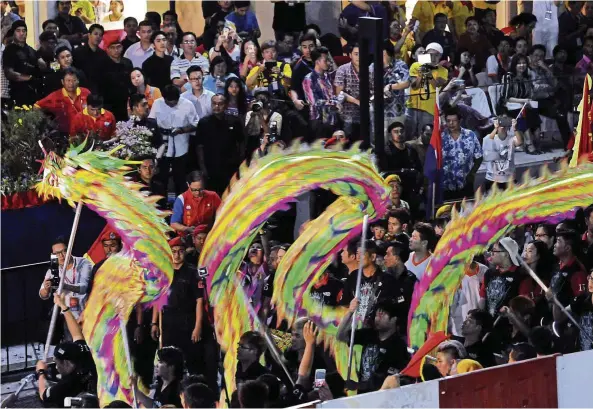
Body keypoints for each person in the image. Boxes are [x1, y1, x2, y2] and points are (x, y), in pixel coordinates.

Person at [36, 293, 97, 408]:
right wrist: (63, 306)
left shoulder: (66, 384)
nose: (57, 367)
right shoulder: (84, 354)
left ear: (67, 362)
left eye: (58, 363)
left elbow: (43, 394)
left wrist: (41, 372)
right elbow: (77, 333)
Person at [336, 299, 410, 393]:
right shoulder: (370, 334)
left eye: (382, 315)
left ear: (394, 319)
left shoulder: (398, 346)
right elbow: (341, 336)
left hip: (382, 397)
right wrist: (350, 312)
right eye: (376, 315)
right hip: (363, 395)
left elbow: (382, 380)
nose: (377, 318)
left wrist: (357, 385)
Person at [149, 85, 199, 196]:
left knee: (180, 179)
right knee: (161, 178)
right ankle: (161, 204)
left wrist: (182, 129)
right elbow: (151, 121)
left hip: (181, 145)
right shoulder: (157, 103)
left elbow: (196, 123)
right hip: (162, 146)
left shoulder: (187, 104)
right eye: (168, 102)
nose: (172, 104)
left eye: (174, 102)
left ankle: (181, 204)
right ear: (164, 98)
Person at [195, 94, 246, 195]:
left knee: (230, 195)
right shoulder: (204, 123)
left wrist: (240, 163)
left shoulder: (234, 121)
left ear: (226, 105)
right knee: (212, 195)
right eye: (214, 104)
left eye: (220, 104)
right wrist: (202, 167)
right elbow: (199, 146)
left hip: (230, 166)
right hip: (211, 166)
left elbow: (241, 142)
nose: (216, 106)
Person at [340, 240, 399, 327]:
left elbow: (393, 310)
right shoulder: (353, 277)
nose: (358, 257)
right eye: (357, 253)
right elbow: (344, 304)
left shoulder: (387, 280)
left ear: (373, 257)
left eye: (362, 253)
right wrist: (350, 309)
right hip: (354, 331)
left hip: (375, 332)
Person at [39, 236, 93, 332]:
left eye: (64, 251)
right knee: (73, 344)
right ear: (53, 255)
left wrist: (64, 286)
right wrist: (46, 289)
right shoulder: (53, 270)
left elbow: (84, 287)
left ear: (69, 249)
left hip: (87, 313)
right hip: (67, 317)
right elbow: (42, 295)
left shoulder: (83, 263)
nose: (61, 256)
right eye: (57, 253)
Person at [404, 42, 448, 141]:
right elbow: (414, 86)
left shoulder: (443, 71)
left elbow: (436, 85)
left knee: (424, 137)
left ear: (440, 56)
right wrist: (421, 74)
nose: (433, 57)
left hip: (429, 109)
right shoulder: (415, 65)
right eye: (430, 54)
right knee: (408, 136)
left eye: (436, 55)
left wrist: (428, 73)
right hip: (412, 106)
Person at [441, 109, 483, 201]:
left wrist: (472, 173)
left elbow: (479, 157)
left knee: (467, 211)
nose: (451, 123)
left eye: (454, 121)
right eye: (448, 121)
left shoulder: (470, 135)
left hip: (466, 183)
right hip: (446, 185)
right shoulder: (441, 137)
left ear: (460, 121)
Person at [35, 67, 90, 134]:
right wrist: (48, 123)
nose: (71, 84)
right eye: (68, 81)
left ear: (78, 81)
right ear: (62, 82)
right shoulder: (55, 96)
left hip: (86, 133)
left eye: (74, 80)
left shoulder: (86, 92)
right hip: (66, 136)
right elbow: (36, 107)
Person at [547, 269, 593, 351]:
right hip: (583, 353)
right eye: (590, 278)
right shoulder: (582, 300)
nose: (590, 282)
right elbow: (559, 317)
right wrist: (555, 300)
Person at [334, 43, 372, 140]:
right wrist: (357, 101)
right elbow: (339, 93)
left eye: (361, 54)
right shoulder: (342, 69)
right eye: (356, 54)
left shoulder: (370, 70)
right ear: (350, 55)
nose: (359, 57)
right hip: (347, 115)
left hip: (366, 114)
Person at [479, 237, 523, 317]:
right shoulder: (489, 273)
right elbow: (482, 297)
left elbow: (522, 305)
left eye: (494, 250)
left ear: (505, 254)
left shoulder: (520, 275)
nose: (491, 253)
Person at [3, 20, 42, 105]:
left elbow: (42, 65)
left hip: (34, 93)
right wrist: (29, 78)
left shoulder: (30, 50)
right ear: (13, 33)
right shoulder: (9, 50)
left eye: (24, 30)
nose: (21, 33)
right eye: (18, 30)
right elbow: (9, 73)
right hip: (18, 92)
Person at [382, 240, 418, 333]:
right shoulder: (382, 277)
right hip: (382, 328)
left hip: (402, 329)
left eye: (388, 254)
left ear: (397, 258)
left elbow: (405, 303)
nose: (385, 257)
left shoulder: (410, 280)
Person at [170, 171, 222, 235]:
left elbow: (223, 216)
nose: (197, 193)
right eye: (194, 190)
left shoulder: (213, 196)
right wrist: (186, 228)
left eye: (200, 189)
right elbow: (173, 224)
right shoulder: (181, 199)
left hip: (208, 234)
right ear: (188, 185)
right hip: (187, 236)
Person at [482, 117, 522, 192]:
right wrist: (495, 129)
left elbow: (520, 142)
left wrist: (515, 128)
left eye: (505, 122)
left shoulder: (512, 139)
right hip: (492, 179)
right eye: (500, 122)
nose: (502, 126)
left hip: (509, 179)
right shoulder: (489, 137)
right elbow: (488, 142)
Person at [550, 232, 588, 307]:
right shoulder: (555, 266)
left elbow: (580, 301)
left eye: (558, 241)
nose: (554, 245)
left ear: (567, 248)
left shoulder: (577, 272)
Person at [382, 41, 410, 132]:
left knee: (397, 138)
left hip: (396, 111)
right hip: (379, 112)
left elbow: (406, 83)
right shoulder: (373, 66)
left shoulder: (400, 65)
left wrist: (390, 87)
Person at [102, 38, 133, 121]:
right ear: (107, 49)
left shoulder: (127, 63)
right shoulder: (101, 64)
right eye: (112, 47)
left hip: (125, 102)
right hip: (109, 103)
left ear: (122, 47)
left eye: (118, 47)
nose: (116, 50)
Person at [72, 23, 108, 95]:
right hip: (81, 90)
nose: (98, 37)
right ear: (89, 35)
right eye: (95, 34)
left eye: (100, 35)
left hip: (99, 91)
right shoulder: (77, 52)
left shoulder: (103, 54)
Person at [245, 88, 283, 154]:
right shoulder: (250, 114)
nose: (261, 100)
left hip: (269, 149)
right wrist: (254, 115)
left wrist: (261, 118)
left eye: (263, 98)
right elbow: (248, 133)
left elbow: (272, 137)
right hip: (253, 148)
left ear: (269, 99)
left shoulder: (276, 116)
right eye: (258, 98)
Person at [385, 122, 423, 187]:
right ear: (390, 135)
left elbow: (419, 169)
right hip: (393, 189)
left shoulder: (411, 150)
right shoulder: (386, 151)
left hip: (410, 188)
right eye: (396, 132)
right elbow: (384, 173)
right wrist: (403, 171)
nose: (399, 134)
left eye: (401, 131)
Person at [289, 32, 317, 112]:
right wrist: (295, 100)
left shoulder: (322, 61)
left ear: (316, 46)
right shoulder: (298, 67)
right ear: (301, 48)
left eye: (311, 46)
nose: (308, 50)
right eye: (304, 47)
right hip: (308, 106)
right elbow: (293, 89)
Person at [559, 1, 588, 65]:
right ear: (571, 5)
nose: (579, 9)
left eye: (581, 7)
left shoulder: (577, 17)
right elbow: (563, 38)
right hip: (569, 51)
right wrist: (578, 31)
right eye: (577, 7)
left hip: (578, 48)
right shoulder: (564, 17)